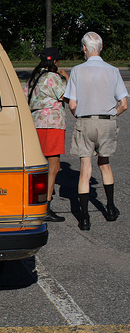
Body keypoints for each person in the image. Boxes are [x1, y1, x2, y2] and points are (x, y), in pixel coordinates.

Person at [63, 32, 128, 231]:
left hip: (85, 120)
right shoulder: (113, 70)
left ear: (84, 48)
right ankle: (109, 208)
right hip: (107, 121)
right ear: (101, 47)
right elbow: (124, 104)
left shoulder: (77, 71)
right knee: (105, 164)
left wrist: (79, 114)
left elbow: (72, 103)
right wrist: (112, 114)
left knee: (85, 168)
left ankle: (84, 218)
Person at [26, 47, 69, 222]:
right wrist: (67, 78)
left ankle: (35, 200)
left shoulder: (35, 77)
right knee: (54, 166)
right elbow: (67, 96)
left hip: (36, 123)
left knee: (40, 164)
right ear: (55, 62)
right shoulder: (53, 78)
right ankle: (46, 206)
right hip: (52, 124)